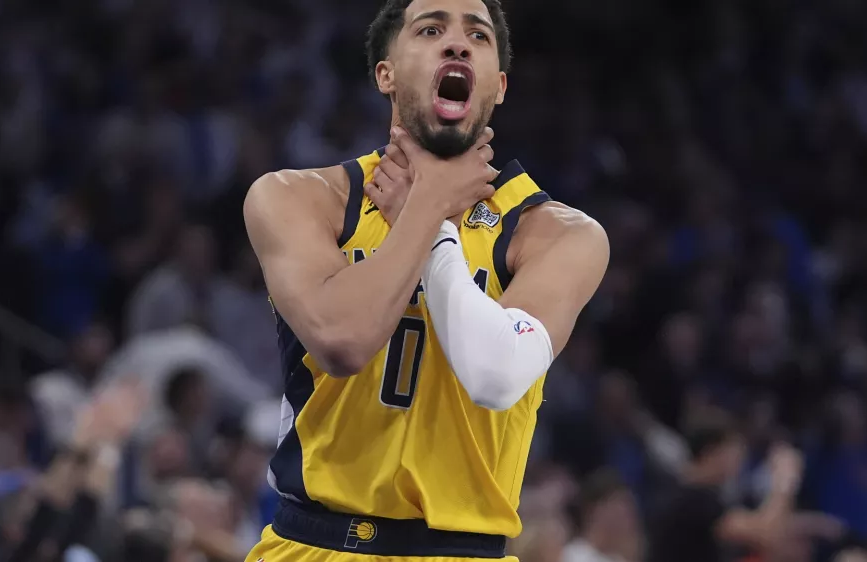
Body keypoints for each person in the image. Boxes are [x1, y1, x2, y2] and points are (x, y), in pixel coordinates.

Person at [242, 0, 609, 560]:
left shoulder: (558, 234)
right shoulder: (299, 198)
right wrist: (428, 207)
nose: (456, 43)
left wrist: (431, 224)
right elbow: (342, 339)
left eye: (477, 36)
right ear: (385, 72)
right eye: (431, 29)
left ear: (499, 84)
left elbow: (495, 374)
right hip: (313, 542)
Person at [647, 413, 804, 562]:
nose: (740, 458)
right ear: (713, 452)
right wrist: (784, 479)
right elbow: (766, 535)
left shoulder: (685, 489)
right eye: (734, 450)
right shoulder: (693, 497)